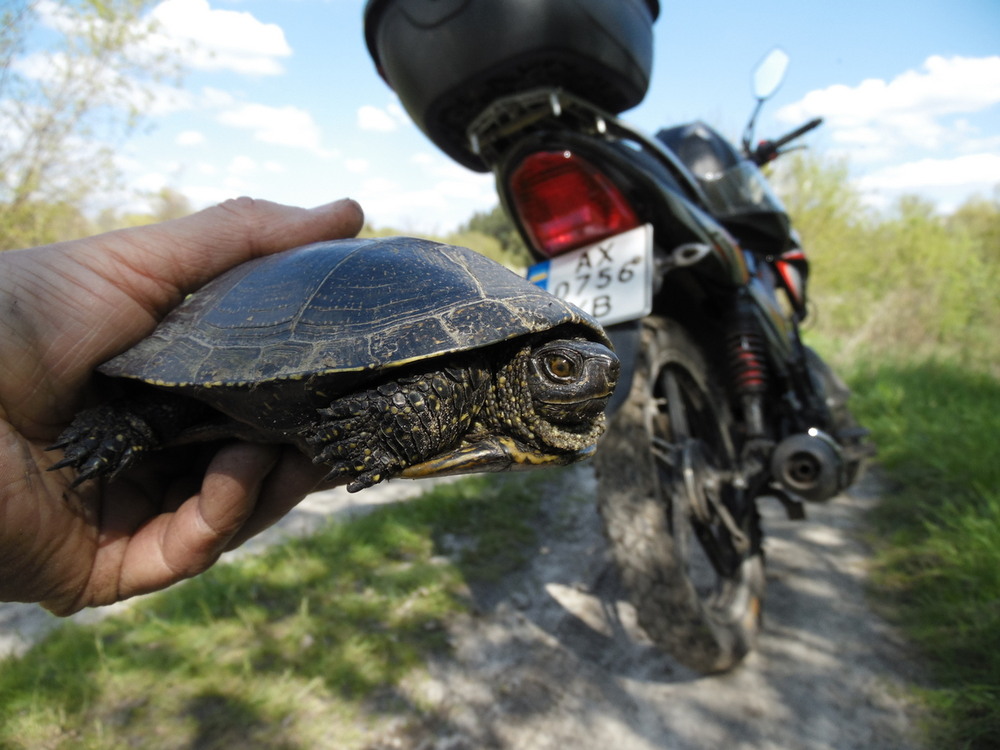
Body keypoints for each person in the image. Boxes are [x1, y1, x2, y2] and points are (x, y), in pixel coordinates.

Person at [0, 196, 365, 616]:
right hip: (207, 376)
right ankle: (126, 422)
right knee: (169, 408)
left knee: (191, 417)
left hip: (245, 393)